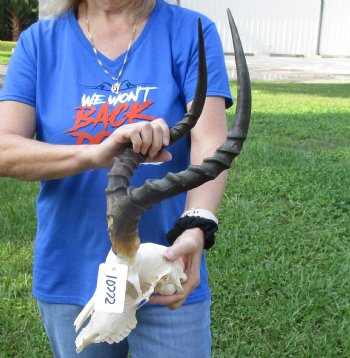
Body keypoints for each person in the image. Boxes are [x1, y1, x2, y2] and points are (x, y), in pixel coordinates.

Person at [0, 0, 233, 357]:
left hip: (167, 266)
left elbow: (209, 138)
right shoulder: (39, 42)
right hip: (70, 270)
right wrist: (94, 154)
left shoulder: (190, 30)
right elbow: (4, 149)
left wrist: (197, 225)